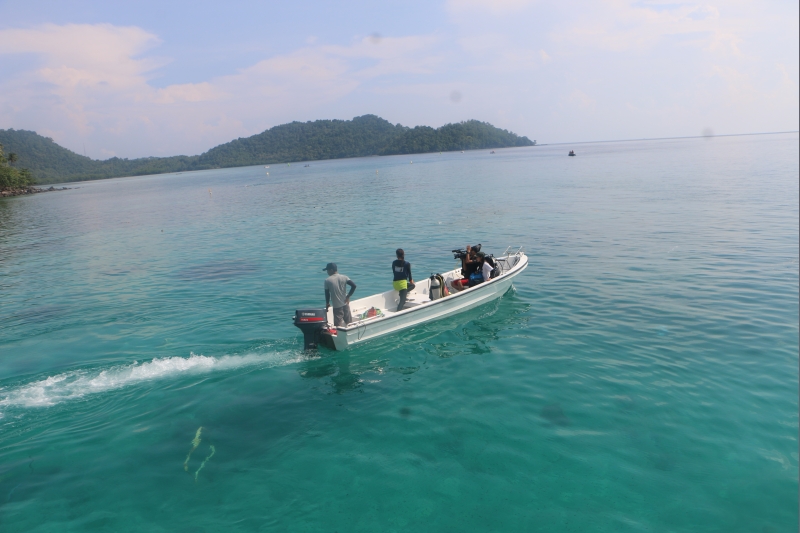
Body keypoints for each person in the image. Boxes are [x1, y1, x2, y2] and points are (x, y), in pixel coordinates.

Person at [323, 263, 356, 327]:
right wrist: (348, 296)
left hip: (337, 307)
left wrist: (327, 303)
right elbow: (354, 286)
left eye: (328, 270)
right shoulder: (344, 277)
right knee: (349, 323)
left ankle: (340, 336)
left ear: (331, 270)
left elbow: (327, 294)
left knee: (338, 326)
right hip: (345, 304)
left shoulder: (327, 280)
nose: (327, 272)